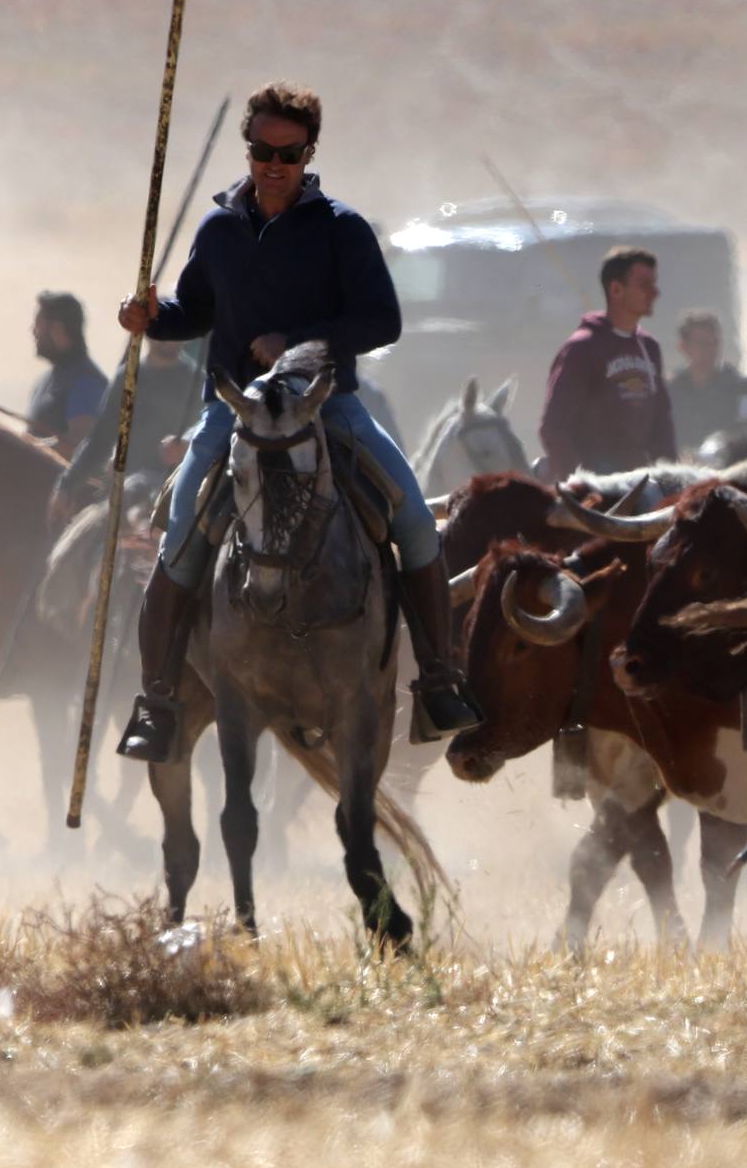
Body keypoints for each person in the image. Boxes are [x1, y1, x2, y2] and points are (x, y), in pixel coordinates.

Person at [111, 80, 477, 760]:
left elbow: (382, 320)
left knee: (416, 523)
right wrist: (149, 318)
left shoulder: (342, 230)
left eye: (289, 153)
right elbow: (196, 312)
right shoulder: (219, 229)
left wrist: (299, 343)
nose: (274, 165)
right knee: (181, 536)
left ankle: (438, 681)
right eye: (262, 151)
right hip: (234, 414)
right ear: (247, 149)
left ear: (310, 152)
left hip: (325, 406)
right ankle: (158, 701)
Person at [539, 247, 678, 479]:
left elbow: (661, 423)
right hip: (597, 485)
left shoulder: (650, 348)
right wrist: (578, 485)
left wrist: (671, 479)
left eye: (654, 284)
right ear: (616, 289)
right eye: (644, 284)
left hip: (639, 481)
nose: (655, 292)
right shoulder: (582, 348)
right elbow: (554, 427)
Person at [51, 336, 206, 532]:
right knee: (67, 556)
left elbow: (209, 432)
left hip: (176, 499)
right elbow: (100, 440)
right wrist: (67, 485)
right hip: (123, 497)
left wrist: (187, 444)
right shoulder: (127, 378)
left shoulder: (199, 382)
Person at [666, 309, 747, 455]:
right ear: (684, 347)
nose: (710, 349)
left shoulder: (742, 387)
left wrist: (724, 443)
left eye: (714, 343)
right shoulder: (670, 390)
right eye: (702, 344)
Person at [26, 291, 107, 451]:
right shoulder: (45, 380)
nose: (33, 331)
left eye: (38, 324)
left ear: (57, 329)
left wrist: (27, 448)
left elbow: (79, 445)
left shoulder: (87, 382)